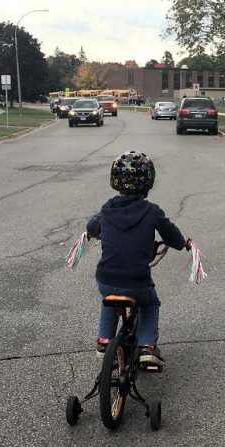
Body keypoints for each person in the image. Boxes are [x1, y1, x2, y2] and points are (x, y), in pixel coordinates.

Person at [86, 151, 190, 367]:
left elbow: (92, 227)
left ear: (115, 181)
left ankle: (104, 340)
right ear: (148, 181)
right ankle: (147, 347)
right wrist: (183, 244)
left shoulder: (107, 209)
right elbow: (172, 235)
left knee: (109, 298)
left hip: (106, 278)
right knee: (150, 304)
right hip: (137, 281)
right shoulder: (151, 211)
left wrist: (95, 232)